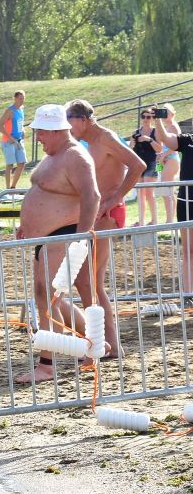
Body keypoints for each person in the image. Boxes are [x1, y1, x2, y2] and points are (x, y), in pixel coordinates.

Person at [13, 105, 100, 384]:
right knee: (49, 297)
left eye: (40, 132)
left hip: (63, 235)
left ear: (54, 130)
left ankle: (48, 365)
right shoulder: (55, 155)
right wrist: (28, 223)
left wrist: (81, 236)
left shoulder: (74, 156)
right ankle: (92, 344)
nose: (37, 137)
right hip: (48, 237)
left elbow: (92, 195)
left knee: (46, 296)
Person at [65, 99, 144, 360]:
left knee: (88, 280)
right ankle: (109, 343)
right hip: (99, 212)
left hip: (108, 213)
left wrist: (115, 198)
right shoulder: (87, 142)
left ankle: (103, 342)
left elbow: (138, 166)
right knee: (91, 282)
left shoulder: (105, 137)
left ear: (83, 119)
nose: (67, 126)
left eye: (70, 120)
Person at [152, 110, 193, 296]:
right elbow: (166, 139)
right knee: (188, 251)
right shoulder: (187, 140)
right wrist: (158, 120)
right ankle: (188, 295)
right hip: (187, 202)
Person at [130, 108, 163, 226]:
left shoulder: (155, 132)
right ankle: (142, 221)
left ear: (152, 118)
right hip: (139, 165)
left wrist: (149, 140)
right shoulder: (136, 132)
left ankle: (155, 220)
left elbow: (160, 148)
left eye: (148, 117)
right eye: (143, 117)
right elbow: (130, 149)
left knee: (149, 193)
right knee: (140, 194)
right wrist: (132, 144)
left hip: (152, 163)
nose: (145, 119)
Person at [157, 104, 181, 223]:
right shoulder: (165, 127)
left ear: (172, 113)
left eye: (167, 111)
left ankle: (169, 220)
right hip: (165, 160)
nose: (165, 114)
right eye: (163, 111)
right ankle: (170, 218)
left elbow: (177, 146)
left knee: (166, 189)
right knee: (166, 190)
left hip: (171, 159)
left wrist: (163, 155)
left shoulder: (174, 127)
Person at [0, 90, 27, 189]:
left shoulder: (21, 109)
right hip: (8, 141)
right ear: (14, 99)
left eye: (23, 98)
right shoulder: (10, 110)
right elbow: (0, 125)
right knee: (10, 165)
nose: (22, 101)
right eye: (20, 98)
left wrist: (23, 130)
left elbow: (20, 123)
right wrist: (10, 137)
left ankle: (13, 187)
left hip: (18, 141)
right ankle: (7, 189)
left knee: (22, 163)